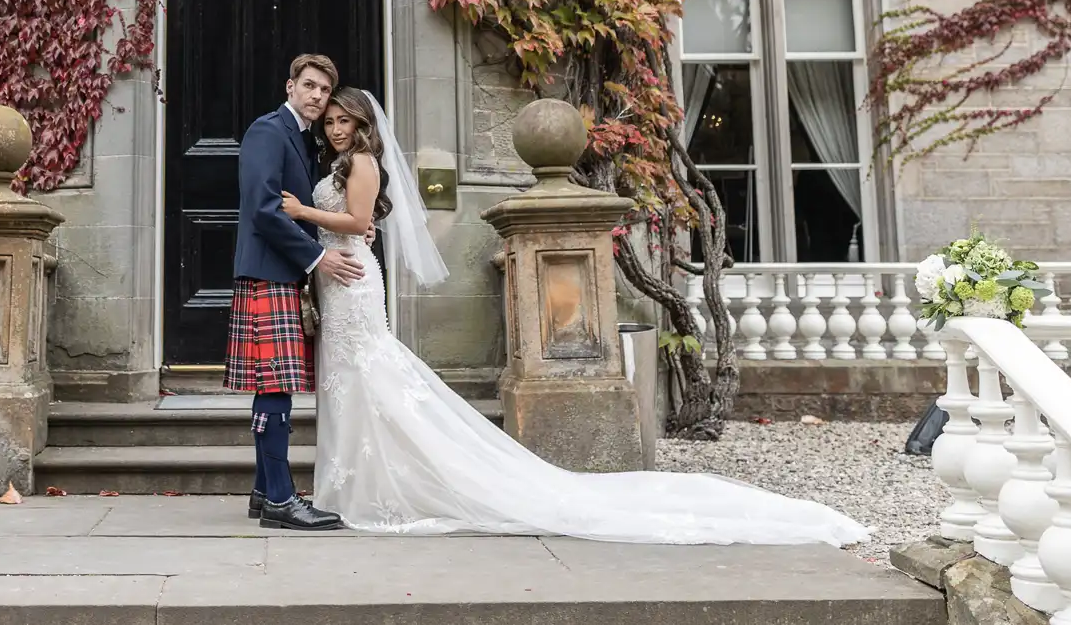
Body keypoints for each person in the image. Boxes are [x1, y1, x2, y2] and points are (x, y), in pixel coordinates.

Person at [278, 86, 870, 545]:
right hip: (338, 280)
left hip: (351, 278)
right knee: (352, 382)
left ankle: (371, 489)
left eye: (343, 121)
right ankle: (354, 485)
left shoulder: (360, 166)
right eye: (329, 121)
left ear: (362, 126)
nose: (334, 129)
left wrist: (302, 212)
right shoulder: (337, 165)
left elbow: (359, 225)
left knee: (369, 376)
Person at [226, 53, 366, 531]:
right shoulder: (268, 131)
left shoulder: (305, 142)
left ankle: (266, 492)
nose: (316, 97)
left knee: (276, 382)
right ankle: (282, 501)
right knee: (276, 384)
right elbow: (264, 208)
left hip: (283, 274)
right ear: (290, 87)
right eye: (309, 86)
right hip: (269, 272)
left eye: (324, 91)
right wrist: (317, 256)